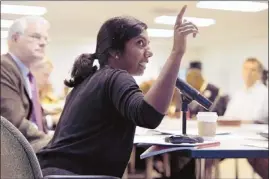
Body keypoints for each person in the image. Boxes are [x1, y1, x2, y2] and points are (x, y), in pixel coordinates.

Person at [37, 5, 198, 177]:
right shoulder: (116, 77)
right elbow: (149, 115)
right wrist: (177, 52)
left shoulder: (87, 80)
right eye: (140, 43)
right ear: (114, 51)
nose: (149, 53)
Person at [0, 16, 52, 152]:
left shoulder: (27, 75)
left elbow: (36, 118)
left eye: (46, 39)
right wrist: (54, 142)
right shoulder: (3, 67)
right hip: (14, 158)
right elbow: (14, 123)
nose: (43, 43)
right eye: (36, 36)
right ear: (15, 38)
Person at [224, 57, 268, 123]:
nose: (248, 73)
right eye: (246, 69)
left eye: (253, 70)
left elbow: (258, 120)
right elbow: (227, 117)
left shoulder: (265, 94)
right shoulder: (238, 94)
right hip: (234, 131)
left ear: (260, 74)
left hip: (255, 132)